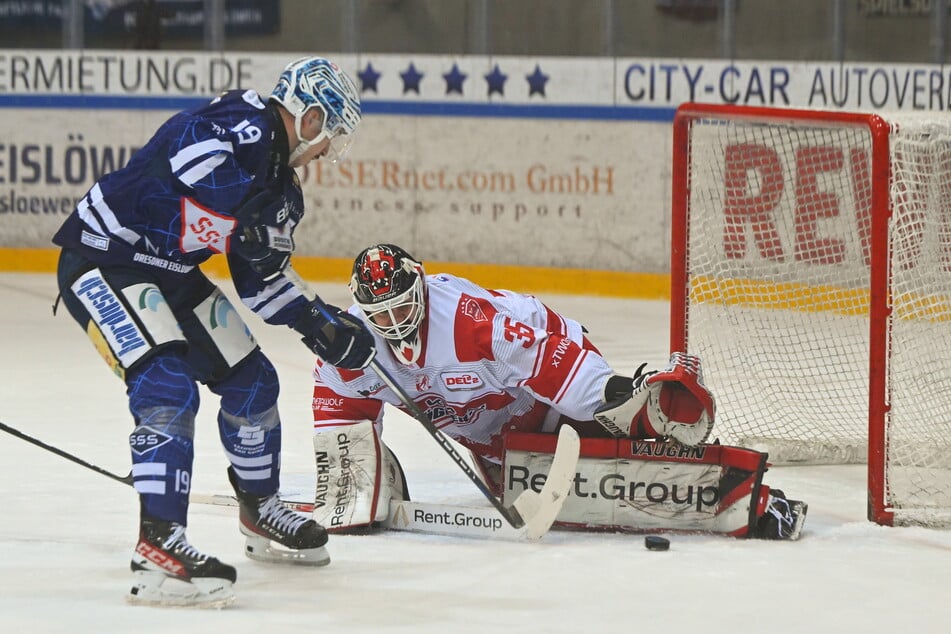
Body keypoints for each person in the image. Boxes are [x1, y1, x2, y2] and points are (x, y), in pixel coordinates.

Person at [51, 57, 375, 607]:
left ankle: (259, 510)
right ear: (312, 118)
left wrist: (317, 321)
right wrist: (232, 228)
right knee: (165, 385)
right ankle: (158, 548)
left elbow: (260, 280)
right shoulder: (237, 121)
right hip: (104, 259)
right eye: (331, 136)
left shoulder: (283, 192)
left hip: (170, 274)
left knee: (254, 382)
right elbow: (157, 192)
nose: (327, 153)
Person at [310, 244, 807, 540]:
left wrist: (619, 399)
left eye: (403, 306)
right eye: (382, 314)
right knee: (568, 495)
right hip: (496, 439)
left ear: (419, 283)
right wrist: (351, 476)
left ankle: (748, 497)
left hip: (546, 392)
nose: (395, 324)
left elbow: (552, 365)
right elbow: (338, 408)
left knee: (624, 460)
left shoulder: (470, 324)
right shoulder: (353, 345)